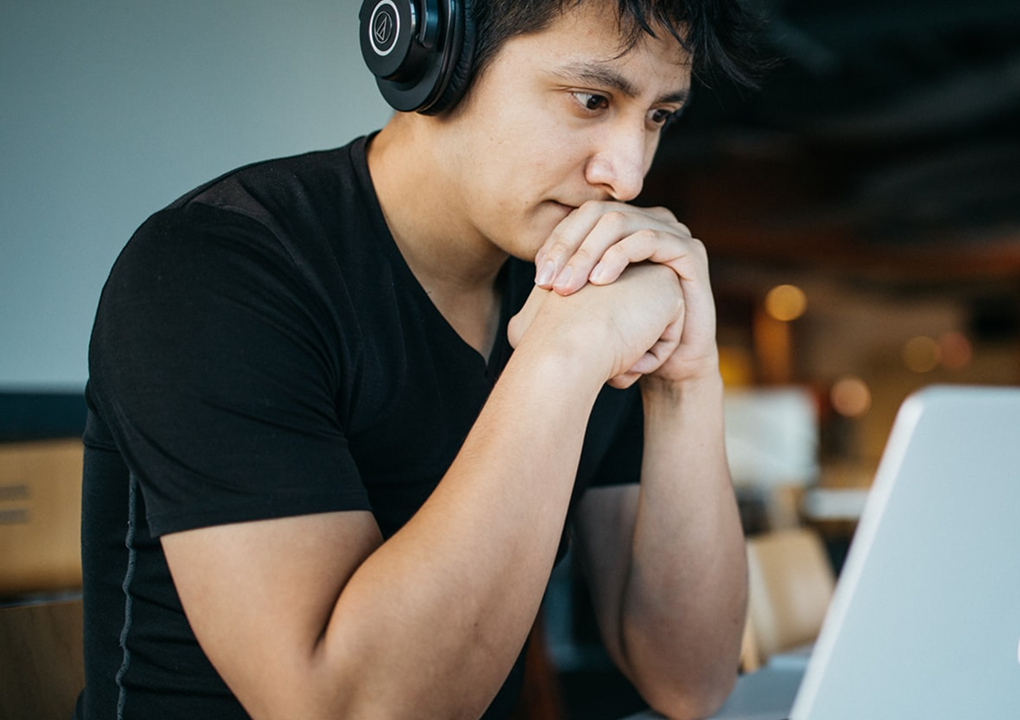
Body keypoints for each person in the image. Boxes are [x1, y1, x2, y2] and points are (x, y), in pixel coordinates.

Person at [77, 1, 768, 718]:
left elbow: (689, 680)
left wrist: (684, 379)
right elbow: (347, 709)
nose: (627, 177)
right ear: (437, 55)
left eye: (658, 116)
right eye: (591, 99)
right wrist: (561, 357)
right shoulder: (217, 268)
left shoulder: (586, 286)